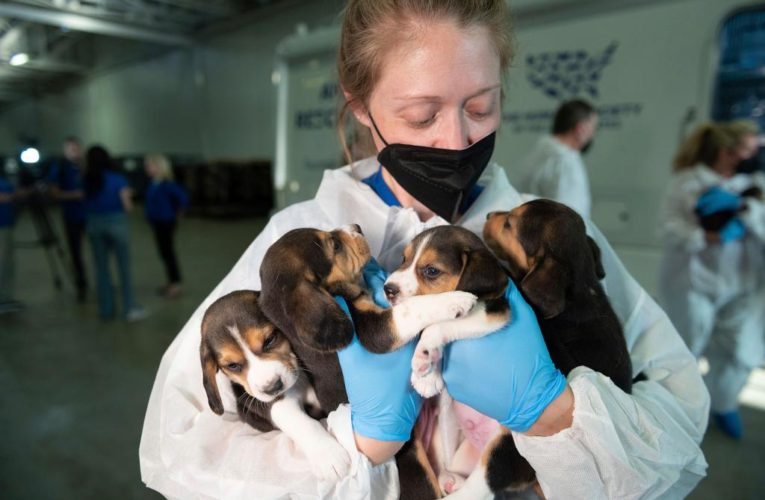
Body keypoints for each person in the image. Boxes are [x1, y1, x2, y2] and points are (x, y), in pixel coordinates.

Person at [139, 1, 708, 498]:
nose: (457, 140)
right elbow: (182, 451)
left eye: (481, 107)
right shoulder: (301, 241)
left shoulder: (546, 233)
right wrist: (360, 442)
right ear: (359, 104)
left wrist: (554, 414)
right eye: (421, 115)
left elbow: (678, 422)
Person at [658, 120, 764, 440]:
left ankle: (724, 403)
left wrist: (747, 207)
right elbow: (667, 229)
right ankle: (677, 411)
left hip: (742, 283)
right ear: (727, 152)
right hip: (694, 282)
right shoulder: (687, 182)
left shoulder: (755, 184)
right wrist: (707, 235)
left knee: (739, 351)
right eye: (748, 149)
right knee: (687, 348)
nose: (754, 155)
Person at [83, 145, 147, 322]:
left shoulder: (87, 179)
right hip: (116, 224)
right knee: (123, 268)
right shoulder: (118, 179)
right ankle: (128, 307)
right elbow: (127, 206)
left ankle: (106, 308)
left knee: (101, 269)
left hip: (94, 224)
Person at [519, 99, 598, 218]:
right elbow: (570, 220)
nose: (593, 135)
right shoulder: (567, 162)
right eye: (593, 128)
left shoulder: (539, 150)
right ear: (581, 128)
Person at [47, 136, 89, 302]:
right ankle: (81, 284)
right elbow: (54, 192)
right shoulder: (60, 168)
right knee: (75, 251)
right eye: (70, 149)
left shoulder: (87, 167)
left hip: (91, 215)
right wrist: (74, 195)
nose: (74, 151)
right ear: (65, 151)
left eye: (76, 148)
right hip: (71, 216)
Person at [143, 154, 189, 299]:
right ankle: (171, 281)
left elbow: (183, 198)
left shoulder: (166, 184)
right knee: (163, 252)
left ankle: (176, 284)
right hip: (156, 222)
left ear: (159, 167)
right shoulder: (153, 183)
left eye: (150, 166)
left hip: (165, 222)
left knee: (168, 253)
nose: (147, 169)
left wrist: (178, 213)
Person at [0, 164, 24, 314]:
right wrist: (12, 196)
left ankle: (6, 296)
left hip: (7, 224)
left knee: (8, 262)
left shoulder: (4, 180)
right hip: (1, 225)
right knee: (2, 262)